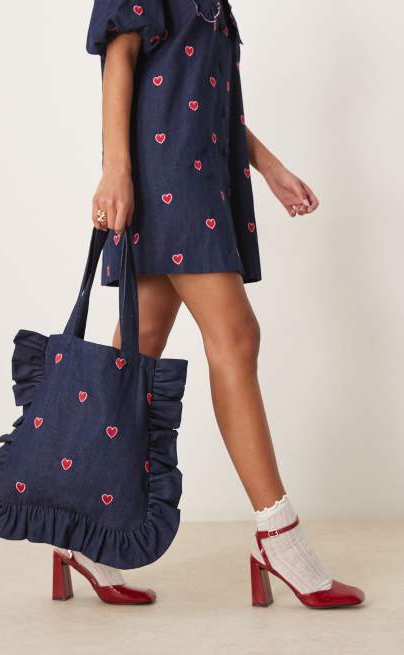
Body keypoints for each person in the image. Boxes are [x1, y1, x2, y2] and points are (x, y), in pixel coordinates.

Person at [53, 0, 365, 608]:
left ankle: (81, 529)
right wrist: (115, 169)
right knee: (236, 337)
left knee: (137, 352)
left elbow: (204, 98)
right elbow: (120, 57)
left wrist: (269, 168)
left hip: (198, 175)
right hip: (165, 176)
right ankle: (277, 536)